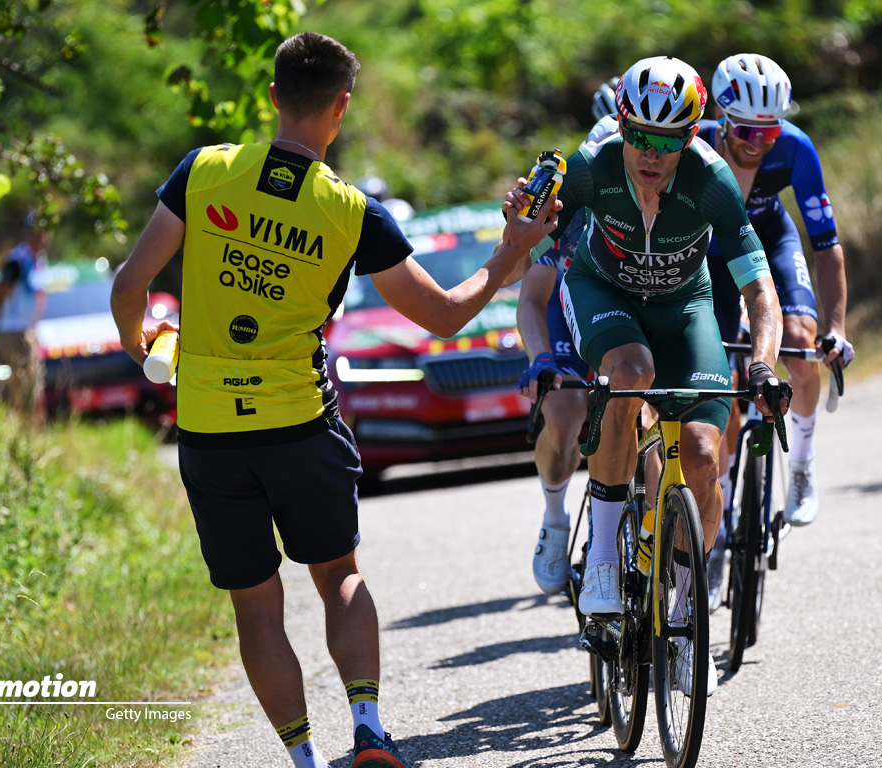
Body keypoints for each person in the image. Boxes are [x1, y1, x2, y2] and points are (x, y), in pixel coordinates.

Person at [111, 32, 558, 768]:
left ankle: (305, 761)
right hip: (300, 423)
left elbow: (131, 286)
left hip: (209, 429)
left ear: (273, 98)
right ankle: (370, 730)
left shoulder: (204, 171)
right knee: (339, 576)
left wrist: (146, 350)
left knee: (255, 606)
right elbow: (445, 315)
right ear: (342, 108)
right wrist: (509, 255)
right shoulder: (352, 212)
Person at [514, 55, 791, 698]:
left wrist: (763, 363)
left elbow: (761, 293)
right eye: (638, 134)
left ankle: (689, 612)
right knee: (631, 375)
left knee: (700, 450)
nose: (648, 152)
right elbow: (530, 246)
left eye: (666, 142)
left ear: (691, 136)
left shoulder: (714, 180)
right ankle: (604, 564)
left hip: (683, 307)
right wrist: (523, 214)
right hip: (601, 290)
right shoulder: (591, 166)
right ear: (622, 123)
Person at [698, 53, 853, 530]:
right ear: (720, 118)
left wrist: (837, 327)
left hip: (770, 242)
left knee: (803, 350)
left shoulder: (795, 148)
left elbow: (826, 247)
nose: (757, 143)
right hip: (711, 258)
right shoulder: (695, 147)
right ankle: (716, 500)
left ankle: (802, 466)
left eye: (768, 133)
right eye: (745, 131)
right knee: (715, 382)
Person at [518, 90, 619, 596]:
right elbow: (532, 299)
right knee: (564, 414)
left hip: (623, 323)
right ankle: (556, 519)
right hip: (564, 320)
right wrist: (539, 359)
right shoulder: (570, 213)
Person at [0, 211, 48, 421]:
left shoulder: (38, 260)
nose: (39, 236)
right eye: (34, 232)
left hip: (26, 331)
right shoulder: (17, 260)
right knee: (23, 391)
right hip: (12, 331)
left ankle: (29, 439)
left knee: (31, 389)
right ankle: (23, 439)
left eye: (43, 231)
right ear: (26, 233)